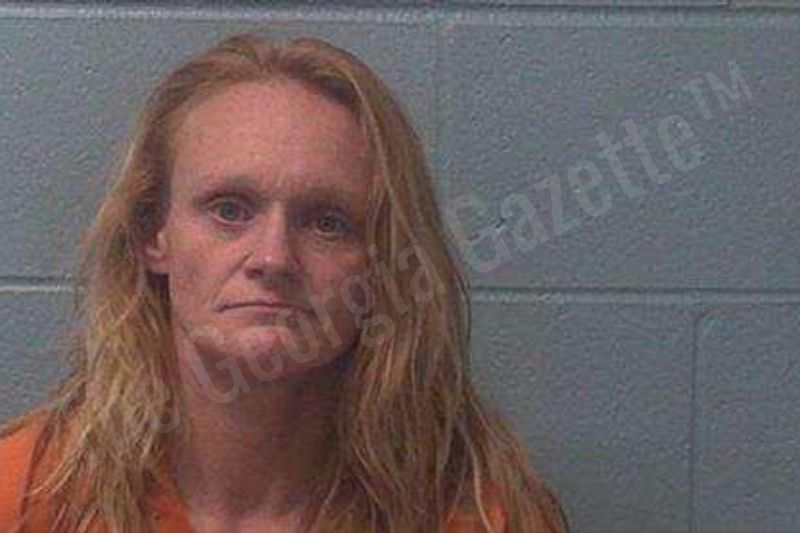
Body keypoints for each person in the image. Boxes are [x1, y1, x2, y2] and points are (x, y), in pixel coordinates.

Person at [0, 31, 569, 533]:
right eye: (229, 210)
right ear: (154, 233)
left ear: (382, 265)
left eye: (328, 222)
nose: (273, 258)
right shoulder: (25, 494)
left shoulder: (484, 515)